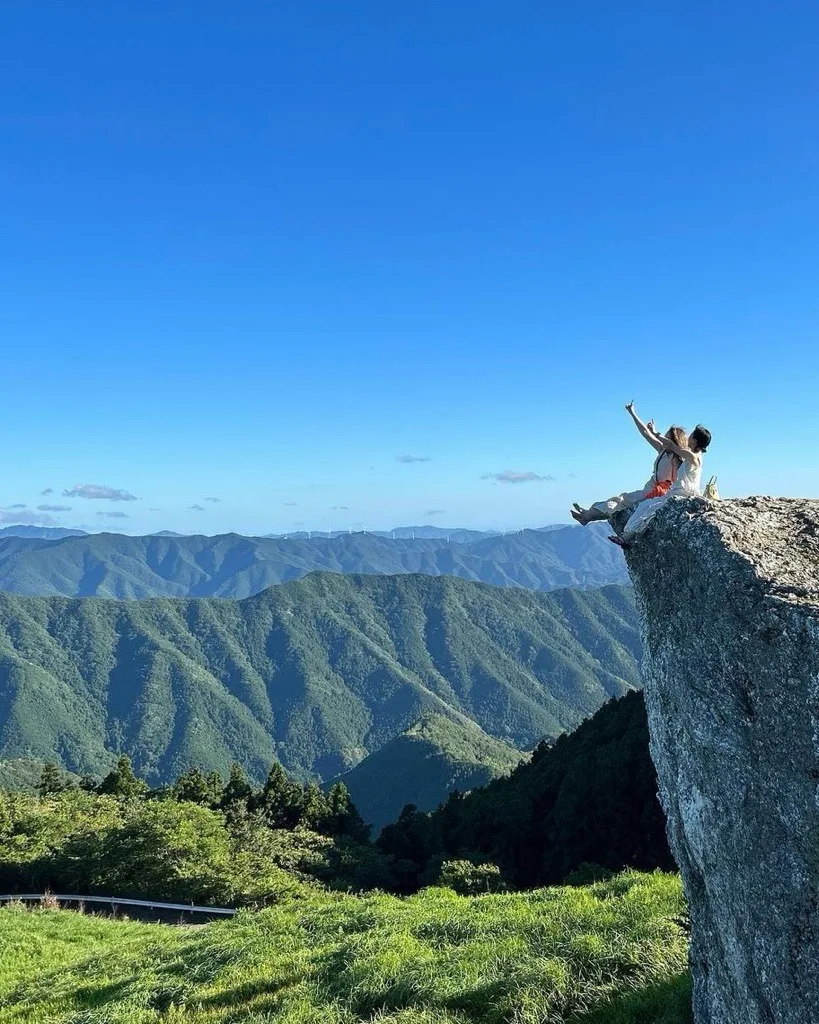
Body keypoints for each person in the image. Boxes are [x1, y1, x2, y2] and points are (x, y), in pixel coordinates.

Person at [571, 402, 687, 525]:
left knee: (621, 501)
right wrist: (633, 413)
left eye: (666, 438)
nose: (663, 440)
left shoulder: (678, 458)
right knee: (619, 500)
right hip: (650, 489)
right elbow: (645, 433)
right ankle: (588, 514)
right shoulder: (663, 451)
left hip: (656, 493)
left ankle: (587, 516)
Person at [609, 423, 712, 547]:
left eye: (691, 436)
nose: (688, 438)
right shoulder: (693, 455)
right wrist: (654, 433)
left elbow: (672, 446)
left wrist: (655, 433)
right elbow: (672, 446)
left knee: (651, 509)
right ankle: (625, 535)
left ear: (694, 440)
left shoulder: (693, 457)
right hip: (677, 492)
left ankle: (627, 537)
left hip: (683, 494)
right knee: (645, 505)